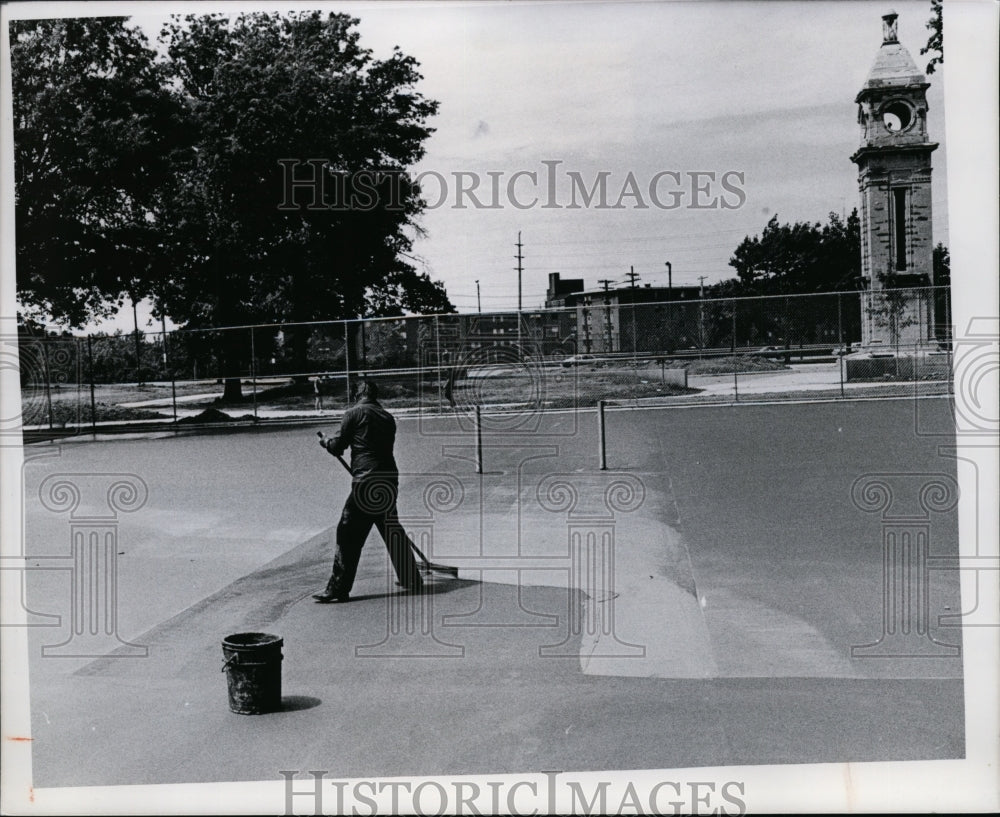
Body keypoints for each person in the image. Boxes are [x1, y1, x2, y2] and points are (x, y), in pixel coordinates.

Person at [313, 380, 423, 602]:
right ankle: (411, 578)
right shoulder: (386, 416)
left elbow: (338, 446)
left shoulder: (353, 413)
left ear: (358, 393)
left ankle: (338, 588)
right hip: (388, 480)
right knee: (391, 529)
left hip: (366, 482)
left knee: (347, 533)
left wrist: (326, 442)